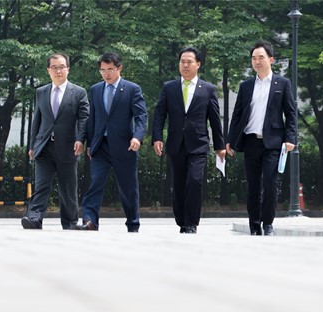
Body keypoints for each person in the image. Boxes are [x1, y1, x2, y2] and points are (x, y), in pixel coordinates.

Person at [226, 41, 297, 236]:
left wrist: (290, 138)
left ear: (271, 60)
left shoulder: (282, 84)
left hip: (273, 143)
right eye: (253, 58)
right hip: (250, 142)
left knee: (270, 185)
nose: (257, 62)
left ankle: (268, 224)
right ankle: (254, 226)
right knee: (253, 187)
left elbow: (291, 114)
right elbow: (237, 114)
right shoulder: (246, 86)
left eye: (261, 58)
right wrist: (230, 139)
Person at [152, 47, 225, 234]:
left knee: (194, 181)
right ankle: (182, 222)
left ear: (198, 64)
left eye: (189, 62)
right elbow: (159, 114)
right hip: (175, 144)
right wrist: (157, 138)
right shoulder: (169, 87)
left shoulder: (208, 89)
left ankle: (192, 223)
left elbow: (215, 119)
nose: (185, 65)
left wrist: (220, 146)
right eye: (182, 62)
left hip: (198, 144)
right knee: (178, 184)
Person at [75, 52, 147, 232]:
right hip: (100, 146)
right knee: (95, 184)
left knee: (128, 188)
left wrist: (137, 137)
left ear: (119, 68)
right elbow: (92, 119)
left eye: (110, 69)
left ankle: (133, 224)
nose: (106, 74)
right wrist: (87, 142)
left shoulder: (132, 89)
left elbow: (141, 116)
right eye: (103, 70)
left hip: (125, 146)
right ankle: (90, 221)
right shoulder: (96, 89)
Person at [22, 53, 89, 230]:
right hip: (43, 147)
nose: (58, 71)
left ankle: (70, 222)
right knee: (41, 185)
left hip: (68, 148)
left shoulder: (79, 92)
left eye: (61, 67)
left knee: (68, 187)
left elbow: (84, 119)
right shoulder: (41, 92)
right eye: (54, 67)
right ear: (48, 70)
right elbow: (37, 120)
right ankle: (34, 218)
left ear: (68, 69)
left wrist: (81, 140)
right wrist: (32, 145)